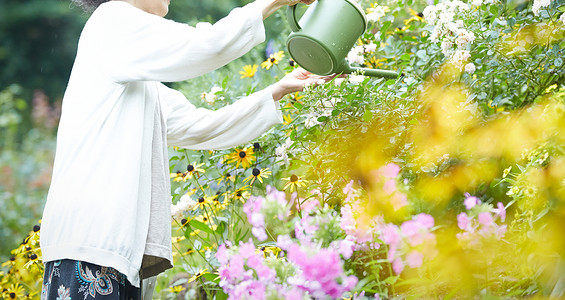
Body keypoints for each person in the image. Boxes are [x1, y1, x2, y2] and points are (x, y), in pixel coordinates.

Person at [39, 0, 331, 298]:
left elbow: (197, 126)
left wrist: (277, 90)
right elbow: (206, 45)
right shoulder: (112, 21)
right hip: (91, 246)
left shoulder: (136, 76)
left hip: (102, 249)